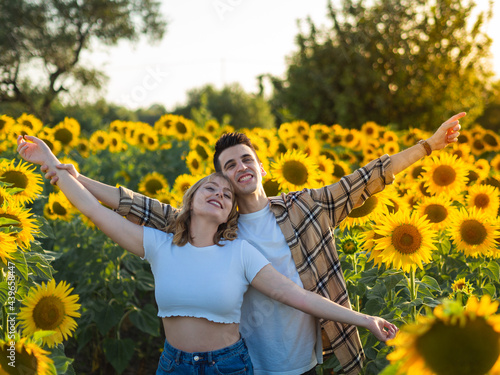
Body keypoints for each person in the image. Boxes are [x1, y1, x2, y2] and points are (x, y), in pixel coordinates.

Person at [39, 112, 464, 375]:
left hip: (301, 360)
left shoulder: (307, 207)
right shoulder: (220, 232)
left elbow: (368, 178)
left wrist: (429, 145)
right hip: (243, 362)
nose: (240, 167)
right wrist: (71, 176)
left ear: (259, 165)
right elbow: (139, 207)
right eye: (228, 166)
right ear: (218, 182)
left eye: (246, 158)